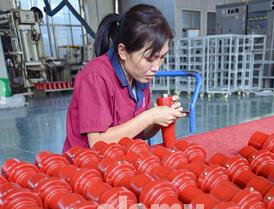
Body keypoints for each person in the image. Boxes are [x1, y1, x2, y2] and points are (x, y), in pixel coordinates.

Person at [62, 4, 186, 152]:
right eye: (150, 58)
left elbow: (140, 133)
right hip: (86, 167)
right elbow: (97, 143)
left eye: (162, 57)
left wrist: (159, 120)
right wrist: (150, 116)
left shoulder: (140, 76)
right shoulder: (95, 77)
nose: (156, 67)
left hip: (122, 161)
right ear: (122, 51)